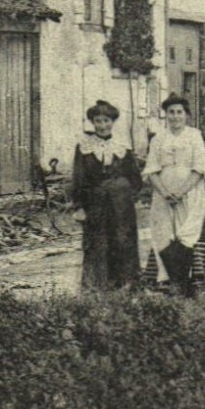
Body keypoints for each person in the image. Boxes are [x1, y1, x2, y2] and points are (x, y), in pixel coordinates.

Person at [142, 94, 205, 296]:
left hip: (191, 194)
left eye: (179, 112)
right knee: (164, 234)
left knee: (191, 234)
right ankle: (167, 283)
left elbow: (200, 168)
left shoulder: (194, 136)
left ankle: (197, 283)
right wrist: (164, 192)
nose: (175, 116)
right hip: (163, 196)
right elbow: (151, 170)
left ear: (186, 115)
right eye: (171, 112)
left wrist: (180, 192)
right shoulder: (158, 139)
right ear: (165, 115)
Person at [70, 100, 143, 292]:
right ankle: (96, 287)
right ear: (93, 123)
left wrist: (124, 193)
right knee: (97, 242)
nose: (102, 125)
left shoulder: (122, 147)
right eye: (98, 121)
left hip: (121, 205)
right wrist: (79, 206)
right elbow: (78, 178)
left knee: (122, 239)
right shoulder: (84, 148)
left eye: (106, 121)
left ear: (113, 122)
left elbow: (135, 177)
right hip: (95, 204)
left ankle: (125, 284)